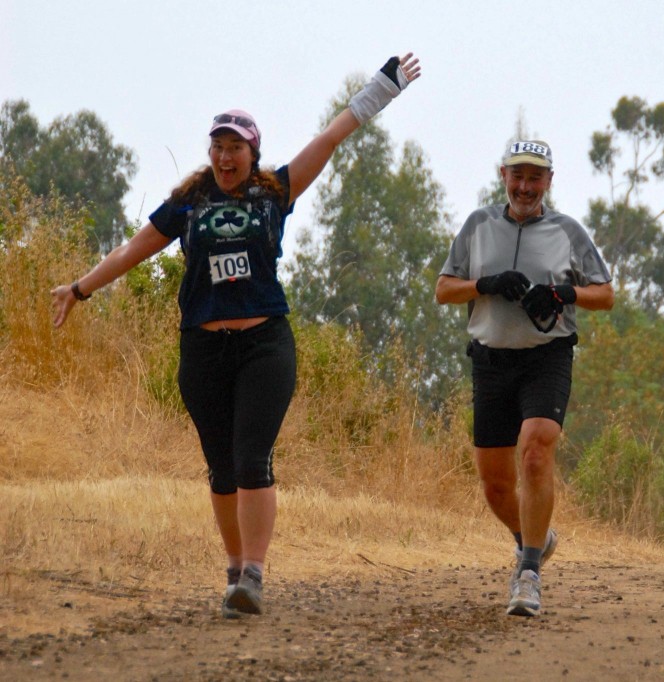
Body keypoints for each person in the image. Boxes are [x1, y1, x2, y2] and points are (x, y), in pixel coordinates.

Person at [51, 53, 422, 618]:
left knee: (253, 457)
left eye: (236, 148)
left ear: (253, 154)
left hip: (264, 345)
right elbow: (132, 250)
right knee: (221, 467)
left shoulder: (274, 193)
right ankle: (234, 569)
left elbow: (330, 138)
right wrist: (79, 289)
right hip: (202, 349)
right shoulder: (189, 203)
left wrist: (382, 88)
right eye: (218, 148)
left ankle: (253, 572)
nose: (225, 157)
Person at [435, 140, 614, 617]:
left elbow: (606, 294)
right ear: (503, 176)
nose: (525, 186)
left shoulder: (567, 230)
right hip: (490, 359)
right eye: (518, 176)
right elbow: (443, 289)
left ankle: (529, 572)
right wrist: (485, 285)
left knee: (536, 450)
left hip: (546, 357)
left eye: (536, 178)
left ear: (549, 182)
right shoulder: (477, 225)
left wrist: (563, 293)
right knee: (495, 484)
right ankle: (532, 538)